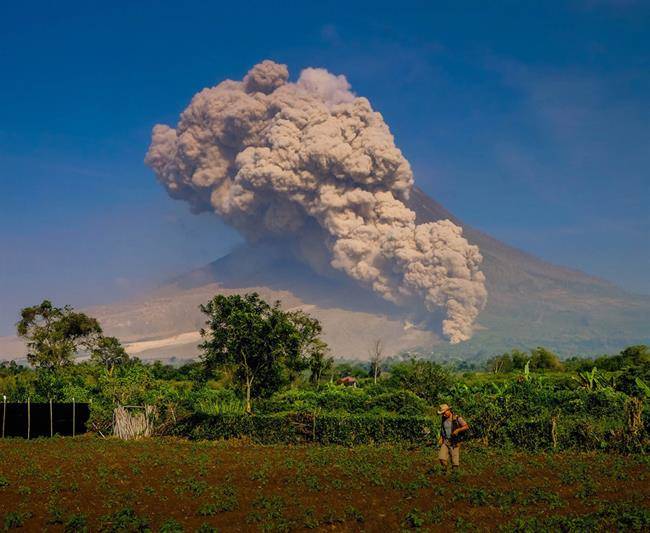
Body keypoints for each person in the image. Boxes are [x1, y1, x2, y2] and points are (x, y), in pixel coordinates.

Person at [437, 404, 469, 470]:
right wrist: (441, 437)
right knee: (441, 458)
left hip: (455, 441)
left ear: (448, 410)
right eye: (442, 414)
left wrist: (458, 430)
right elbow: (442, 428)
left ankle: (454, 475)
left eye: (444, 413)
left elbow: (466, 426)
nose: (443, 415)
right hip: (446, 441)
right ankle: (445, 471)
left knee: (455, 462)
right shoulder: (443, 418)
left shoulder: (457, 418)